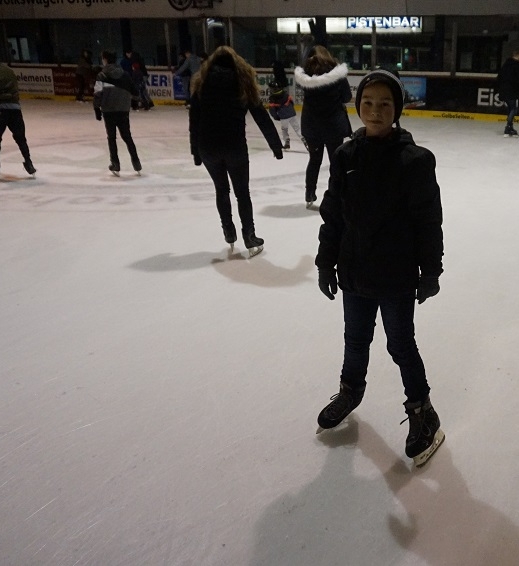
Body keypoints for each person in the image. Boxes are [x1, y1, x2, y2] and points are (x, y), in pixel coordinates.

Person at [314, 70, 445, 468]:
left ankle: (423, 410)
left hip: (395, 275)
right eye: (368, 103)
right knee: (355, 340)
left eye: (385, 104)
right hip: (354, 270)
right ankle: (350, 390)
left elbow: (428, 221)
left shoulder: (415, 161)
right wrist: (325, 262)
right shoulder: (345, 157)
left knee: (400, 344)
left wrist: (431, 271)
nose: (375, 111)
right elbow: (333, 215)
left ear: (397, 109)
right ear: (358, 107)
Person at [189, 46, 283, 256]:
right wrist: (276, 146)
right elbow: (261, 117)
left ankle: (229, 232)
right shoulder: (242, 83)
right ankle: (249, 236)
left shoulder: (202, 84)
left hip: (208, 147)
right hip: (234, 147)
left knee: (221, 190)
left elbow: (194, 121)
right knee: (242, 193)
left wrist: (195, 151)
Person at [294, 45, 351, 208]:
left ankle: (309, 193)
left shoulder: (305, 77)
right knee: (335, 161)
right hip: (333, 126)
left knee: (314, 159)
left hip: (312, 128)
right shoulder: (337, 76)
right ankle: (335, 194)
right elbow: (347, 97)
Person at [0, 43, 36, 180]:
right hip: (15, 108)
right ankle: (29, 163)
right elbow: (15, 88)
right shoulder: (8, 69)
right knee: (20, 137)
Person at [93, 50, 142, 176]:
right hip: (123, 110)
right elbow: (135, 92)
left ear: (105, 59)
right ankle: (136, 162)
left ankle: (115, 164)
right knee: (127, 137)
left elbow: (97, 94)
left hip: (108, 111)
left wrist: (96, 108)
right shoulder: (125, 75)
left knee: (112, 138)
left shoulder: (102, 75)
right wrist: (133, 101)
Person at [496, 50, 519, 137]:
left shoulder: (505, 65)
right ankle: (508, 127)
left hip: (504, 91)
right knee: (514, 109)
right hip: (512, 91)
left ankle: (510, 127)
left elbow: (499, 77)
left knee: (510, 108)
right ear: (518, 56)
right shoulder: (516, 65)